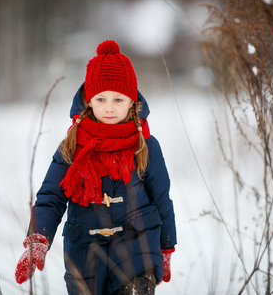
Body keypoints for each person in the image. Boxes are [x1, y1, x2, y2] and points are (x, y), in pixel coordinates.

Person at [15, 40, 177, 295]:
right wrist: (38, 239)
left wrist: (167, 246)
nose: (109, 107)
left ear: (132, 101)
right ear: (89, 101)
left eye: (118, 99)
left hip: (138, 251)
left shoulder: (145, 145)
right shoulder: (72, 146)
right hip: (84, 254)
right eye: (101, 99)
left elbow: (161, 198)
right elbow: (51, 197)